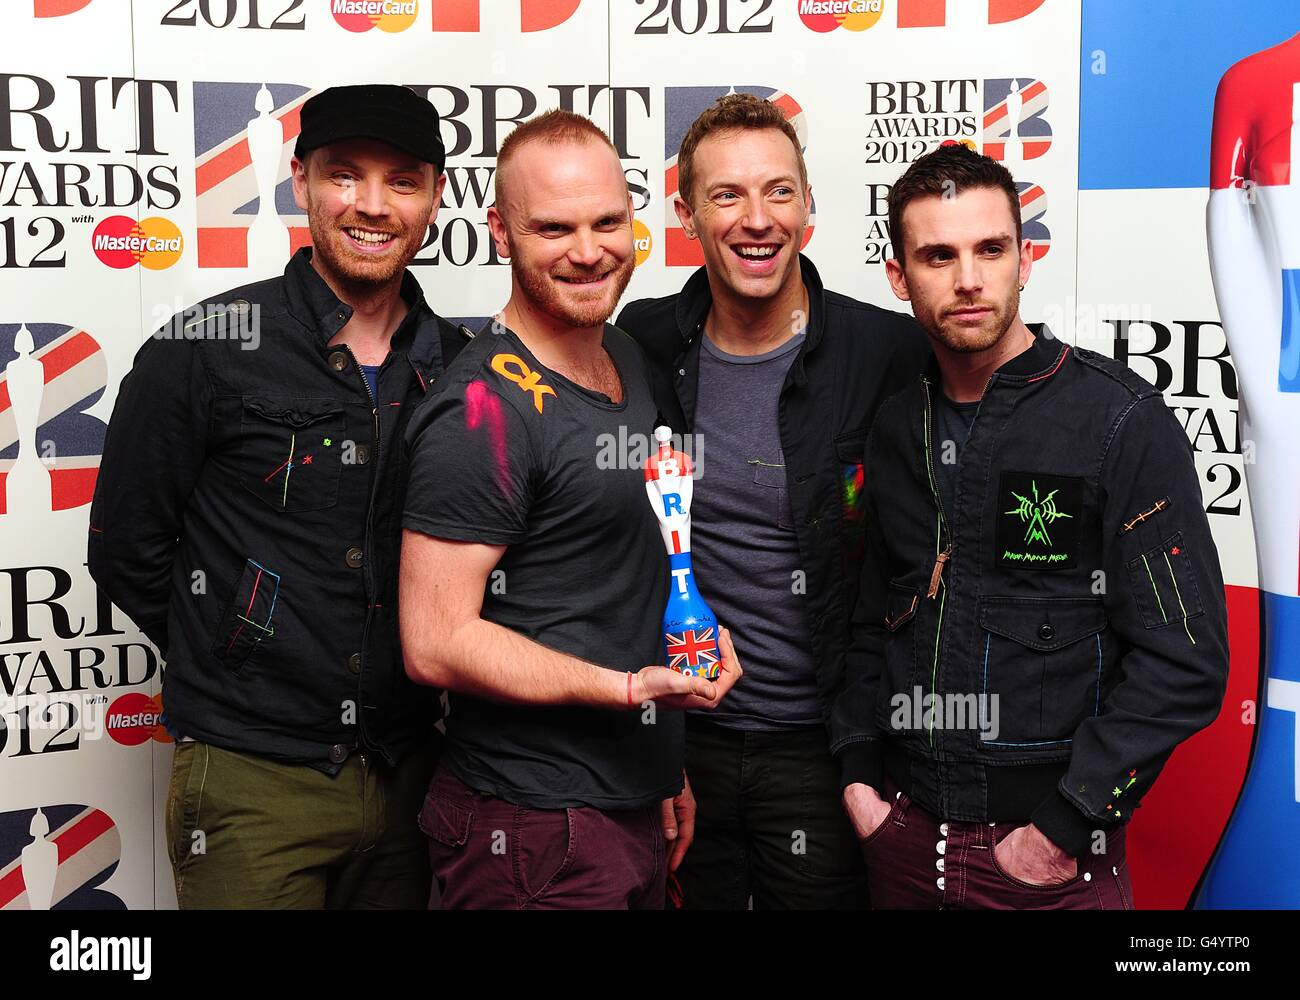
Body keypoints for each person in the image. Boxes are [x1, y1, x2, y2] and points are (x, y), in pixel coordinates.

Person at [88, 84, 465, 908]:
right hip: (251, 782)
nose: (372, 205)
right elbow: (125, 546)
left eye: (403, 180)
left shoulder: (461, 365)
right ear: (299, 181)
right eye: (345, 176)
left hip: (412, 775)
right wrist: (241, 649)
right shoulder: (206, 348)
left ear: (436, 196)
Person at [839, 143, 1230, 909]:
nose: (969, 280)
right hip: (902, 843)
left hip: (1043, 865)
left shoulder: (1118, 420)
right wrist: (858, 777)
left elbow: (1185, 659)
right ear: (898, 275)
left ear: (1026, 257)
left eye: (991, 249)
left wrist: (1063, 825)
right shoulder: (895, 426)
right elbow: (867, 620)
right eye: (938, 255)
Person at [400, 110, 743, 910]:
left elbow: (606, 581)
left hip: (621, 802)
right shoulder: (481, 409)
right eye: (553, 227)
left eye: (608, 222)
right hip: (526, 832)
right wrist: (629, 692)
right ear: (499, 232)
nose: (589, 252)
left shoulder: (622, 351)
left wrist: (659, 758)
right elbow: (435, 642)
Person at [617, 92, 928, 909]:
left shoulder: (885, 350)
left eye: (779, 191)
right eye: (727, 195)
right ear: (685, 212)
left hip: (827, 747)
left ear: (809, 204)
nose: (758, 219)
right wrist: (650, 746)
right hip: (682, 737)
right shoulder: (642, 344)